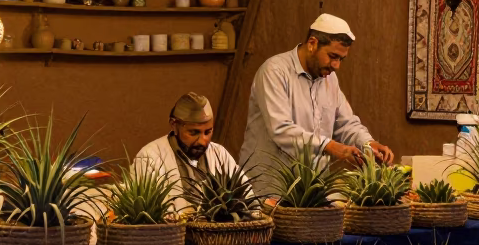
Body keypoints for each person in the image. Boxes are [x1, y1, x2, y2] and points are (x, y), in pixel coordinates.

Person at [239, 13, 394, 194]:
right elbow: (281, 130)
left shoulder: (330, 79)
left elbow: (345, 123)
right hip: (269, 187)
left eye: (341, 59)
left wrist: (368, 143)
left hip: (310, 190)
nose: (336, 65)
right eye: (332, 56)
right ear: (312, 44)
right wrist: (332, 147)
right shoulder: (274, 71)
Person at [132, 92, 241, 211]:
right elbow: (147, 212)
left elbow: (245, 193)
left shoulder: (219, 154)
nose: (202, 141)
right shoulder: (150, 158)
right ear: (174, 125)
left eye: (208, 132)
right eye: (194, 133)